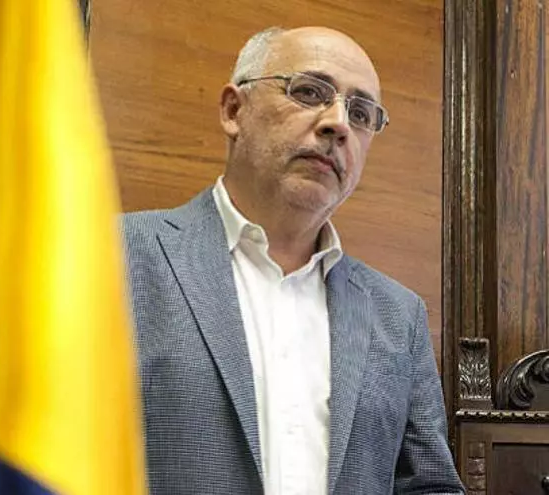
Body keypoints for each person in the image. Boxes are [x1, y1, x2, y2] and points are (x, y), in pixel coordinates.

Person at [122, 26, 464, 494]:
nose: (338, 124)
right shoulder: (115, 256)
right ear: (233, 110)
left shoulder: (398, 315)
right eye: (309, 92)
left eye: (360, 114)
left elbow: (430, 487)